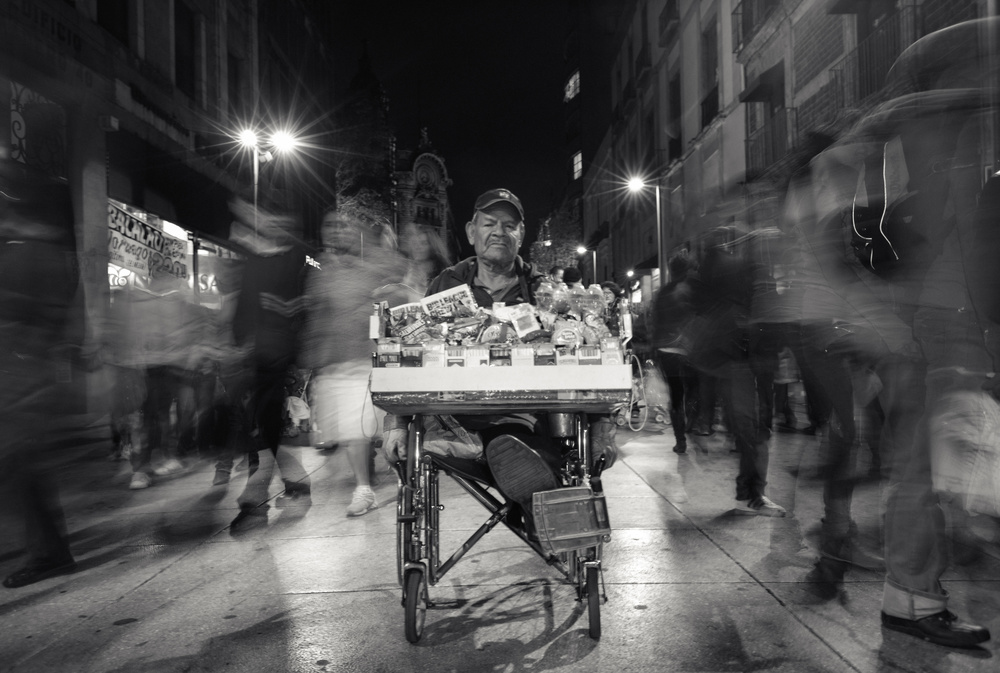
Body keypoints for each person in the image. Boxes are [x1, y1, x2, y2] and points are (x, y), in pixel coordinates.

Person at [382, 188, 619, 529]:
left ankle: (526, 486)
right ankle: (531, 498)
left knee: (531, 445)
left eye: (509, 225)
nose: (499, 232)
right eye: (489, 223)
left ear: (521, 234)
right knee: (514, 455)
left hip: (528, 420)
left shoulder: (543, 292)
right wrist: (397, 424)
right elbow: (411, 352)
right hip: (456, 419)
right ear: (470, 231)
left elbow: (583, 359)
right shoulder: (445, 286)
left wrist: (602, 432)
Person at [0, 160, 81, 588]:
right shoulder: (31, 249)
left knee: (20, 467)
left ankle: (50, 552)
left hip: (21, 379)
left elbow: (40, 318)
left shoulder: (33, 252)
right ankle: (48, 548)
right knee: (20, 467)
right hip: (20, 377)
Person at [301, 209, 400, 516]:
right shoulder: (319, 268)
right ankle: (366, 486)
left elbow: (396, 289)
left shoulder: (369, 264)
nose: (336, 231)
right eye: (330, 226)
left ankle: (370, 486)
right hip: (335, 364)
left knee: (365, 430)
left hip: (365, 361)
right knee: (350, 433)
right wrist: (311, 354)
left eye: (343, 226)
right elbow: (315, 312)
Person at [227, 199, 312, 531]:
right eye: (265, 218)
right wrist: (236, 344)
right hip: (258, 357)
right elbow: (244, 305)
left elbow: (298, 304)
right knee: (263, 426)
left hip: (287, 357)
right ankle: (288, 485)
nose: (270, 224)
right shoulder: (255, 259)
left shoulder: (300, 258)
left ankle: (258, 497)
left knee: (270, 426)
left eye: (278, 219)